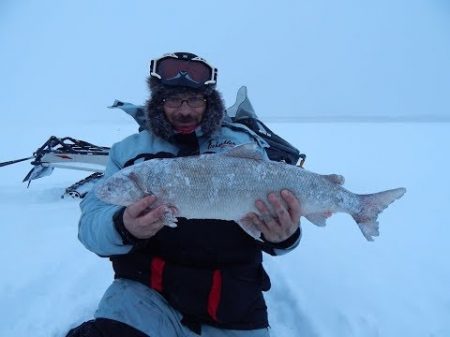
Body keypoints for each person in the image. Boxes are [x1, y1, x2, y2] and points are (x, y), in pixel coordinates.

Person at [66, 52, 302, 337]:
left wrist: (284, 236)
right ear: (158, 102)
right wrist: (123, 226)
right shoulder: (127, 152)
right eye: (174, 100)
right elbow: (91, 225)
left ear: (209, 101)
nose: (185, 110)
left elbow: (278, 227)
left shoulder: (243, 143)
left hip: (231, 304)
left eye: (195, 100)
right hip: (145, 296)